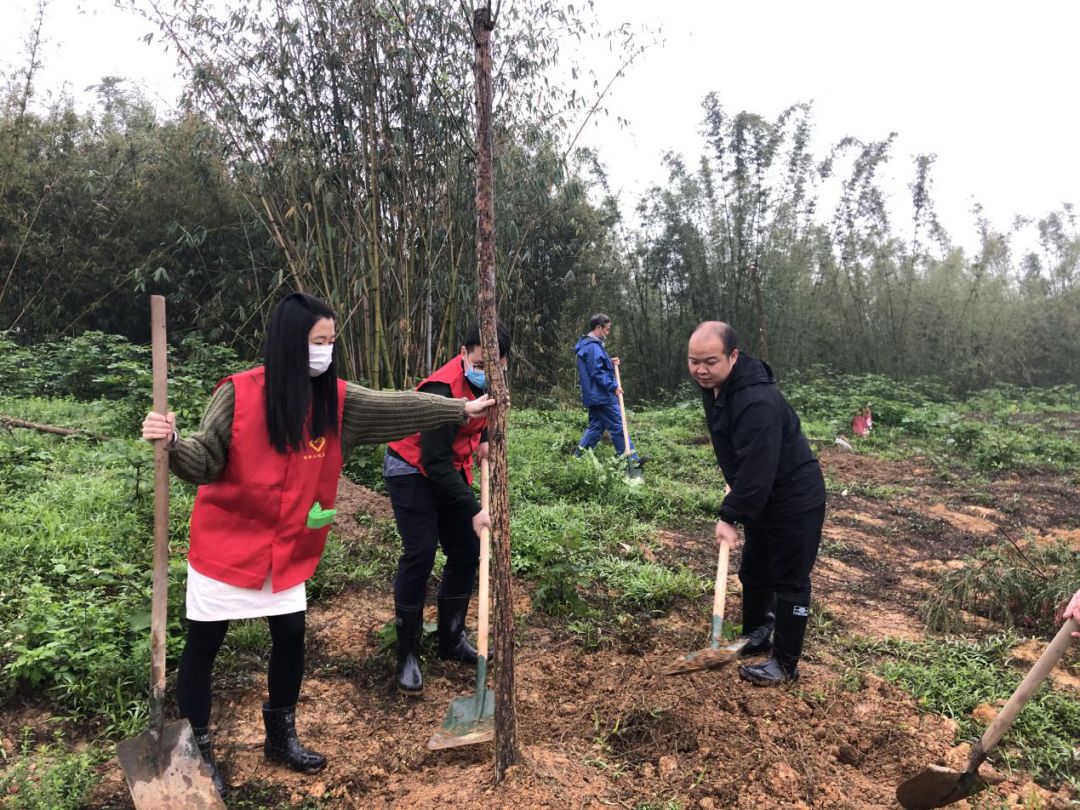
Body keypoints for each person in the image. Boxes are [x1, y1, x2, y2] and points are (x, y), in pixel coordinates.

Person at [140, 293, 494, 793]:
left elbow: (397, 403)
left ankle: (280, 735)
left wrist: (459, 407)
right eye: (317, 341)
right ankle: (197, 748)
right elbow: (205, 459)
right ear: (289, 342)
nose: (325, 351)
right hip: (228, 546)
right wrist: (173, 442)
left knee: (290, 637)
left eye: (331, 341)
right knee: (204, 645)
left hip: (287, 549)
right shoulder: (239, 394)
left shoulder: (338, 402)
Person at [687, 321, 826, 686]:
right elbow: (740, 450)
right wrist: (736, 482)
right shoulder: (717, 387)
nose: (700, 370)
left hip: (794, 497)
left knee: (789, 580)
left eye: (710, 362)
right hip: (761, 493)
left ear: (733, 356)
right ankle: (757, 632)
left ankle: (785, 664)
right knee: (754, 571)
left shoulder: (757, 400)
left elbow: (761, 464)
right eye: (693, 361)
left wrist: (730, 515)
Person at [383, 323, 510, 696]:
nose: (487, 369)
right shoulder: (442, 390)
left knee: (467, 550)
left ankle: (450, 638)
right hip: (411, 469)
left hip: (449, 468)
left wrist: (484, 439)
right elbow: (433, 462)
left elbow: (482, 418)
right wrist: (473, 507)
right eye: (480, 361)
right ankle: (408, 654)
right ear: (464, 352)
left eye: (495, 363)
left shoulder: (495, 384)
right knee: (420, 553)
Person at [573, 313, 644, 465]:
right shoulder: (593, 347)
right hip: (602, 395)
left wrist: (610, 363)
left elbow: (597, 367)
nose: (608, 332)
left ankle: (576, 460)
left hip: (595, 395)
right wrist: (613, 386)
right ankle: (632, 463)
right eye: (607, 329)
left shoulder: (589, 346)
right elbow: (596, 372)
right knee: (619, 425)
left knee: (596, 428)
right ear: (598, 327)